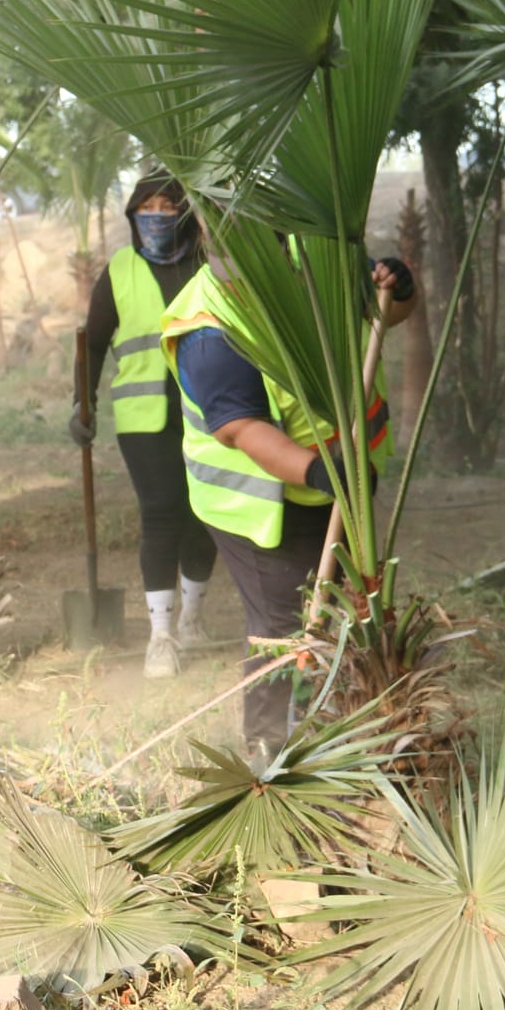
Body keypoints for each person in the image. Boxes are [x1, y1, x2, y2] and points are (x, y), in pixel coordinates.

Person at [161, 244, 418, 757]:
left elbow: (382, 313)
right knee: (284, 624)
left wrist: (402, 289)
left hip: (338, 483)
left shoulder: (320, 250)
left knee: (334, 613)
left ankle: (333, 732)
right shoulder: (208, 328)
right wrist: (321, 472)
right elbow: (240, 428)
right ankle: (271, 753)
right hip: (254, 501)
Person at [71, 168, 218, 680]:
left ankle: (193, 618)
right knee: (160, 513)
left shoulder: (208, 264)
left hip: (210, 412)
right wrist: (82, 403)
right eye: (146, 208)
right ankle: (161, 636)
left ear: (185, 213)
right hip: (143, 418)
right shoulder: (119, 271)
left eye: (167, 206)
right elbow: (92, 344)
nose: (156, 217)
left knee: (203, 514)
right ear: (132, 215)